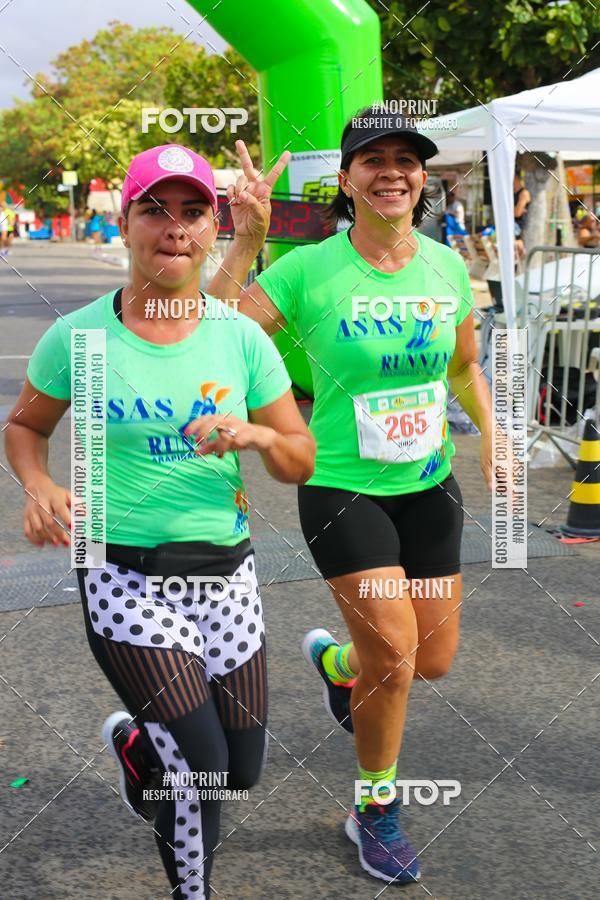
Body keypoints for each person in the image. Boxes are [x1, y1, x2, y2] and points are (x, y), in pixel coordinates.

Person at [4, 142, 315, 900]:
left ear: (212, 228)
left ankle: (141, 754)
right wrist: (39, 484)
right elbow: (25, 426)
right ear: (125, 225)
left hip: (227, 574)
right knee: (202, 770)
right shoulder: (81, 338)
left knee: (240, 771)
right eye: (155, 210)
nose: (175, 226)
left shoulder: (239, 336)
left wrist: (259, 435)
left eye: (193, 211)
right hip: (123, 575)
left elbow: (300, 459)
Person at [230, 107, 493, 884]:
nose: (391, 172)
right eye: (372, 159)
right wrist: (244, 242)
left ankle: (343, 665)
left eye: (406, 159)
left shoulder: (445, 266)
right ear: (346, 180)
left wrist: (497, 432)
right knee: (399, 659)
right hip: (343, 488)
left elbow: (464, 367)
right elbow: (215, 335)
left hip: (430, 485)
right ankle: (375, 809)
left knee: (430, 660)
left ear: (423, 177)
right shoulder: (307, 270)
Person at [513, 173, 530, 239]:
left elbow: (517, 213)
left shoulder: (524, 193)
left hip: (519, 229)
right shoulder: (513, 193)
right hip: (512, 225)